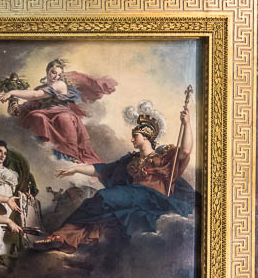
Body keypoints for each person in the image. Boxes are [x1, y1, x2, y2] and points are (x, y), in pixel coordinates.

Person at [34, 107, 194, 253]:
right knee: (94, 206)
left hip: (152, 198)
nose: (132, 140)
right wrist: (76, 168)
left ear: (146, 137)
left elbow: (186, 151)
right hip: (133, 197)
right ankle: (61, 237)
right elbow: (103, 170)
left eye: (135, 136)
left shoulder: (164, 156)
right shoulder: (130, 161)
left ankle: (63, 236)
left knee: (104, 196)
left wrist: (186, 124)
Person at [0, 59, 116, 164]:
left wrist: (11, 92)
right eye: (53, 72)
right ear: (47, 71)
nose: (56, 77)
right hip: (45, 114)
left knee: (63, 119)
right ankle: (46, 151)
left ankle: (70, 156)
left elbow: (35, 95)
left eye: (59, 75)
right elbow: (20, 111)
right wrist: (13, 101)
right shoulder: (40, 89)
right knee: (36, 116)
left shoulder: (60, 84)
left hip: (62, 113)